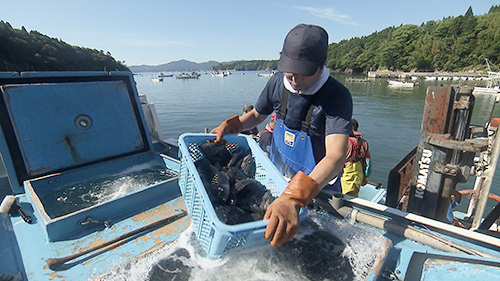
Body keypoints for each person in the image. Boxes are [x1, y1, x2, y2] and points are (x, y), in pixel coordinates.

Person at [211, 24, 352, 247]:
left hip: (315, 185)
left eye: (301, 71)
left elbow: (335, 156)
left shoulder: (337, 96)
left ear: (320, 65)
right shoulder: (278, 82)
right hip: (277, 174)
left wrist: (295, 198)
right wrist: (234, 124)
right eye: (289, 69)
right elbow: (257, 114)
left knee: (312, 242)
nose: (293, 77)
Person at [341, 119, 371, 197]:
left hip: (346, 169)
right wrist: (365, 175)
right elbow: (368, 161)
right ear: (357, 128)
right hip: (358, 169)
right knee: (353, 194)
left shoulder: (343, 140)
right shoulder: (364, 142)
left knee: (345, 194)